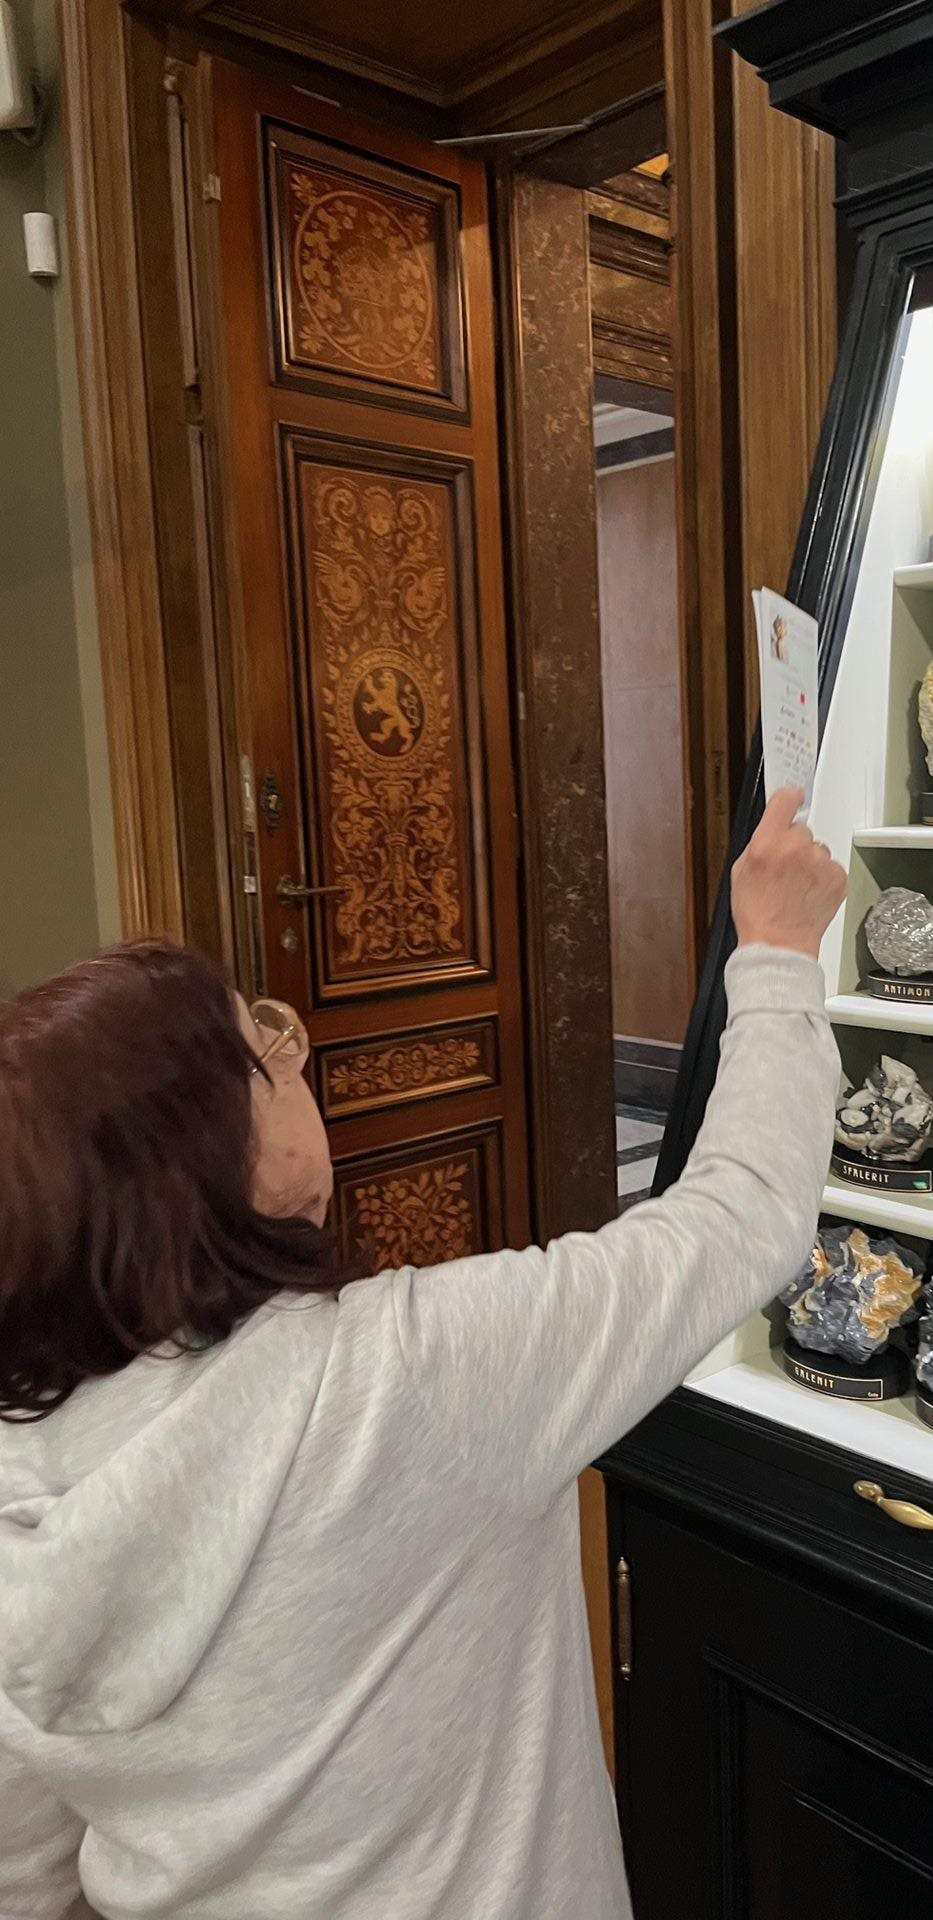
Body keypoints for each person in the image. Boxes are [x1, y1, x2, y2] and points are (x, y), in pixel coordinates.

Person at [0, 787, 846, 1920]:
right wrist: (779, 952)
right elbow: (739, 1216)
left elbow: (25, 1862)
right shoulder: (411, 1379)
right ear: (215, 1162)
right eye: (264, 1050)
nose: (293, 1052)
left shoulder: (18, 1470)